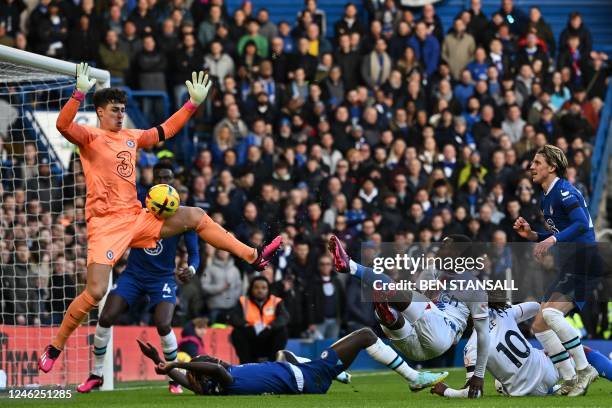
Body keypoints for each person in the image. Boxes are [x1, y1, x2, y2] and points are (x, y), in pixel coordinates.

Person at [38, 63, 282, 373]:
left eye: (122, 110)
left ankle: (252, 255)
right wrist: (77, 94)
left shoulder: (131, 136)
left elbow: (165, 130)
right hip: (105, 224)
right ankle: (56, 346)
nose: (119, 114)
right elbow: (62, 125)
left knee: (196, 215)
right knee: (96, 291)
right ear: (99, 112)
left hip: (136, 217)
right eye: (114, 110)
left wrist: (191, 104)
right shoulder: (89, 137)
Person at [75, 164, 198, 394]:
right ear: (152, 180)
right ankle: (96, 374)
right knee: (106, 317)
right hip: (134, 274)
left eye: (168, 178)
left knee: (163, 323)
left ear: (174, 182)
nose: (164, 181)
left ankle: (173, 378)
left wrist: (191, 268)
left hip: (161, 278)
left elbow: (195, 253)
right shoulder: (138, 205)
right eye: (159, 177)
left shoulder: (183, 215)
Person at [328, 234, 489, 399]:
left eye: (444, 245)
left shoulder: (475, 287)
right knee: (391, 313)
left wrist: (478, 374)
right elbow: (414, 299)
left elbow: (483, 334)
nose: (438, 248)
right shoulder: (432, 270)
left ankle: (351, 267)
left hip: (443, 331)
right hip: (413, 344)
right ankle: (387, 313)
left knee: (398, 294)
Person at [513, 144, 600, 396]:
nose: (532, 166)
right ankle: (570, 377)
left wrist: (551, 240)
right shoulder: (547, 195)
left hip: (584, 264)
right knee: (539, 325)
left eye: (537, 163)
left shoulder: (564, 192)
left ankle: (584, 370)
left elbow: (582, 225)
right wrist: (533, 235)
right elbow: (561, 233)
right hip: (571, 264)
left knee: (551, 315)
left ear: (552, 167)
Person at [137, 325, 449, 395]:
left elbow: (196, 379)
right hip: (309, 377)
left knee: (283, 355)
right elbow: (212, 369)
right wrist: (179, 364)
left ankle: (338, 374)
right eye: (209, 361)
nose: (214, 358)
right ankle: (414, 378)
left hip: (301, 372)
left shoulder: (209, 388)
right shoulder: (224, 381)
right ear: (209, 374)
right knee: (366, 335)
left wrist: (161, 361)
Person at [431, 299, 612, 398]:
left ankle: (556, 388)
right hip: (547, 371)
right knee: (581, 351)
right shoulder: (503, 313)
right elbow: (535, 307)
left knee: (499, 384)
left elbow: (473, 392)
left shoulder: (470, 347)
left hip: (523, 393)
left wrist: (446, 391)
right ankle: (575, 375)